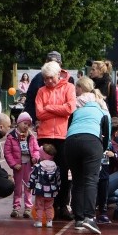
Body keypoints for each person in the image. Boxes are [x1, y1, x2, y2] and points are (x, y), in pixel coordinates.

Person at [64, 91, 111, 235]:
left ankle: (78, 219)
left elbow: (69, 128)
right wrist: (102, 149)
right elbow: (107, 136)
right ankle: (89, 217)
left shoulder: (77, 111)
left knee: (77, 181)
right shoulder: (103, 112)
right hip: (91, 141)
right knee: (91, 180)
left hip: (70, 142)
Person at [35, 60, 76, 219]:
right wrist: (59, 110)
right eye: (45, 78)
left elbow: (69, 109)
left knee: (64, 172)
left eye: (51, 78)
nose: (48, 81)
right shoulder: (41, 91)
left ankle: (63, 204)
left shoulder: (69, 87)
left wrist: (49, 108)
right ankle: (46, 205)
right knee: (45, 173)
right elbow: (39, 114)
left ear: (58, 75)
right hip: (44, 136)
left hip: (62, 135)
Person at [4, 112, 40, 219]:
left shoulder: (31, 137)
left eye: (28, 125)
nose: (26, 126)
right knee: (18, 187)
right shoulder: (11, 136)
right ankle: (16, 207)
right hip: (18, 166)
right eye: (24, 123)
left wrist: (35, 157)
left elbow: (36, 149)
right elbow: (7, 152)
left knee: (28, 186)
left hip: (29, 165)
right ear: (18, 123)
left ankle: (28, 207)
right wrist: (14, 164)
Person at [29, 144, 60, 228]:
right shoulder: (55, 167)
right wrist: (57, 188)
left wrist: (30, 186)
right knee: (49, 206)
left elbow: (33, 177)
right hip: (51, 191)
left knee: (39, 207)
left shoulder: (38, 166)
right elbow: (58, 179)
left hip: (40, 190)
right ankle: (49, 221)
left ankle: (39, 221)